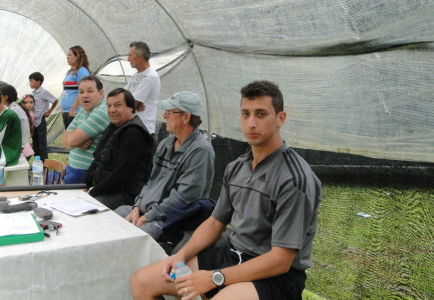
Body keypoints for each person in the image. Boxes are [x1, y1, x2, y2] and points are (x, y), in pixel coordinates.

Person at [130, 81, 322, 300]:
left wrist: (214, 277)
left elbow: (281, 260)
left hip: (276, 277)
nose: (251, 123)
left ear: (280, 118)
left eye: (261, 114)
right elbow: (215, 222)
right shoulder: (237, 167)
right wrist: (180, 256)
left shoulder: (293, 178)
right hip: (232, 256)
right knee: (142, 282)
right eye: (245, 114)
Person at [115, 91, 215, 240]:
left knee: (132, 238)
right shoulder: (166, 143)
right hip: (148, 211)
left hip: (172, 220)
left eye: (169, 112)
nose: (164, 116)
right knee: (110, 219)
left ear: (186, 117)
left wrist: (146, 217)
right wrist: (137, 206)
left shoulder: (200, 151)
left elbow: (183, 199)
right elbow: (151, 181)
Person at [83, 88, 155, 210]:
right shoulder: (114, 126)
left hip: (125, 195)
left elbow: (122, 173)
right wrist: (84, 184)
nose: (112, 110)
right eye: (109, 106)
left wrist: (93, 193)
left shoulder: (134, 133)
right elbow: (97, 160)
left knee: (86, 207)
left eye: (118, 105)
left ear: (130, 107)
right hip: (107, 190)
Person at [60, 75, 110, 183]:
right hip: (73, 170)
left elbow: (72, 141)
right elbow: (63, 140)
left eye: (90, 91)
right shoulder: (83, 111)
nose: (84, 95)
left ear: (101, 94)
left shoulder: (101, 112)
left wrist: (74, 140)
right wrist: (77, 142)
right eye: (81, 92)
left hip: (86, 174)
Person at [125, 41, 161, 136]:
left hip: (143, 130)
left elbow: (132, 104)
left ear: (140, 57)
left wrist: (133, 102)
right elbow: (122, 97)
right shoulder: (135, 75)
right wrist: (131, 102)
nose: (128, 59)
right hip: (133, 127)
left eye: (130, 55)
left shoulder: (150, 76)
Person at [0, 83, 34, 160]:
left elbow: (3, 134)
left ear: (6, 97)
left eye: (0, 95)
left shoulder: (13, 110)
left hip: (18, 148)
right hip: (18, 144)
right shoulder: (14, 107)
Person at [29, 71, 59, 161]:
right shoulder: (33, 93)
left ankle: (44, 165)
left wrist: (49, 112)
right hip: (34, 121)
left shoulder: (44, 92)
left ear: (38, 82)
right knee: (35, 143)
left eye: (31, 81)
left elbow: (55, 101)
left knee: (42, 144)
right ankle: (37, 162)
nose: (30, 83)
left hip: (40, 121)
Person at [60, 45, 91, 128]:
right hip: (67, 111)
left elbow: (83, 91)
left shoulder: (82, 71)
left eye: (70, 55)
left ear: (77, 57)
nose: (67, 57)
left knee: (74, 138)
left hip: (76, 112)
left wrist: (73, 108)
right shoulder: (70, 72)